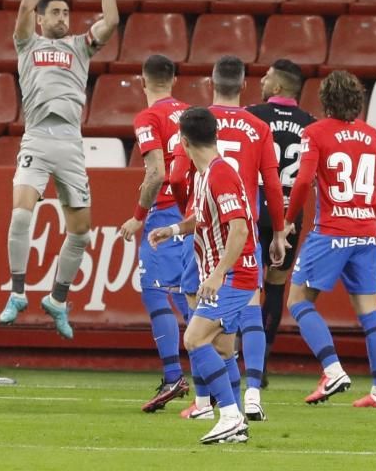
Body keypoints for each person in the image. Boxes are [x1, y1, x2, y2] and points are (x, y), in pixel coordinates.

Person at [0, 0, 119, 339]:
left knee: (81, 232)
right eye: (56, 12)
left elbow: (113, 22)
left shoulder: (80, 46)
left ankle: (58, 299)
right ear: (42, 19)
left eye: (67, 12)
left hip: (70, 141)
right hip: (36, 137)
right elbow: (23, 7)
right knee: (20, 214)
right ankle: (17, 292)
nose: (64, 18)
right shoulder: (27, 42)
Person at [173, 56, 287, 422]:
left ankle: (209, 405)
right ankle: (249, 397)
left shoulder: (196, 124)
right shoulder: (257, 126)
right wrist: (280, 229)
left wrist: (189, 214)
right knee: (238, 325)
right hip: (245, 230)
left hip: (221, 241)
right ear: (243, 86)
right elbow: (272, 184)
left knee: (197, 326)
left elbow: (176, 176)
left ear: (211, 82)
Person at [149, 107, 259, 445]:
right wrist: (173, 229)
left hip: (234, 275)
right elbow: (202, 216)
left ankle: (228, 415)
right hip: (229, 273)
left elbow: (239, 230)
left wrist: (216, 275)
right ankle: (235, 421)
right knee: (223, 349)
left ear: (183, 141)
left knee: (194, 339)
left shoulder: (220, 174)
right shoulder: (205, 175)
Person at [285, 71, 376, 408]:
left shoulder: (315, 132)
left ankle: (332, 369)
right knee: (369, 312)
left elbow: (303, 182)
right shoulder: (373, 136)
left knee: (299, 301)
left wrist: (288, 220)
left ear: (326, 100)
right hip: (365, 232)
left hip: (331, 231)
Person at [118, 55, 191, 413]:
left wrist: (137, 217)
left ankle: (174, 375)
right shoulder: (193, 114)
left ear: (142, 82)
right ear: (174, 80)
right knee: (187, 294)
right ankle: (215, 377)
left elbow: (157, 172)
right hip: (192, 213)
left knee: (155, 292)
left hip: (163, 213)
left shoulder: (148, 118)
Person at [246, 59, 316, 388]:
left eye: (267, 76)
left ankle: (235, 356)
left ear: (277, 87)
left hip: (253, 209)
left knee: (243, 286)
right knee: (275, 286)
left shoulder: (251, 116)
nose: (261, 80)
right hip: (290, 214)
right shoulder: (311, 124)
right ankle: (261, 365)